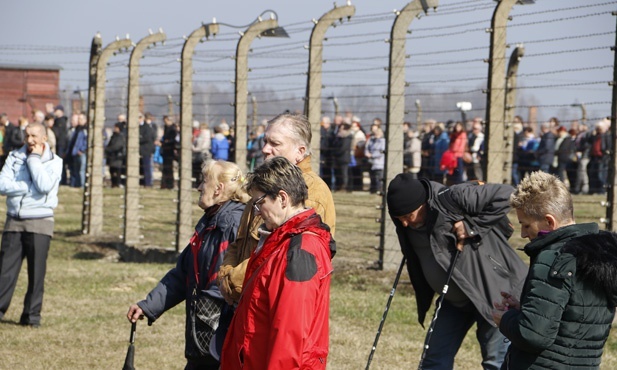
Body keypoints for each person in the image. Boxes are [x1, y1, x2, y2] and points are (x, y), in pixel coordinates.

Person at [386, 173, 527, 369]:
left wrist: (471, 228)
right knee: (433, 361)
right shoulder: (407, 224)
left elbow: (508, 194)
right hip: (453, 301)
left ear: (423, 204)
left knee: (496, 362)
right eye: (398, 218)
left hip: (495, 294)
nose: (404, 223)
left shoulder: (453, 197)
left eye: (408, 216)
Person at [127, 160, 250, 369]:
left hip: (221, 341)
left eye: (204, 181)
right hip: (204, 339)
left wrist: (207, 314)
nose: (199, 187)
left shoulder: (233, 225)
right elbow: (182, 274)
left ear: (218, 189)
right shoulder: (208, 223)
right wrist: (148, 305)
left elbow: (228, 285)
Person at [493, 171, 617, 369]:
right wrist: (524, 308)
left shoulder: (554, 258)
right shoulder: (599, 254)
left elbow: (533, 335)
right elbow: (570, 315)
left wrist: (505, 320)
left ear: (549, 222)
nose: (523, 234)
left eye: (526, 225)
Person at [220, 156, 334, 370]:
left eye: (259, 203)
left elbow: (291, 333)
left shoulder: (301, 251)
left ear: (282, 198)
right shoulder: (280, 240)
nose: (257, 212)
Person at [218, 112, 336, 307]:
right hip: (243, 299)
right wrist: (225, 275)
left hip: (270, 303)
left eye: (275, 144)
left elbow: (277, 253)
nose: (265, 149)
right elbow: (240, 243)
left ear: (300, 151)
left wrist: (231, 282)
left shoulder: (310, 192)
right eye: (265, 141)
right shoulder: (265, 183)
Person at [0, 122, 63, 327]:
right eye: (27, 136)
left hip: (41, 222)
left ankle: (31, 317)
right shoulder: (14, 156)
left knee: (36, 274)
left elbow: (44, 186)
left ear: (44, 138)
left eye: (34, 136)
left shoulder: (55, 162)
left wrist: (35, 160)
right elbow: (2, 184)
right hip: (14, 220)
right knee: (5, 271)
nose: (29, 141)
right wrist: (27, 187)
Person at [105, 122, 126, 188]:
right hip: (112, 157)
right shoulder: (114, 136)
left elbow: (117, 146)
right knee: (112, 171)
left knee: (117, 172)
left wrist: (109, 149)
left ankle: (117, 184)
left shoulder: (120, 137)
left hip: (118, 158)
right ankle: (113, 184)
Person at [365, 127, 385, 193]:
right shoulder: (371, 140)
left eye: (378, 134)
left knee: (379, 177)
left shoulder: (383, 141)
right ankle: (373, 189)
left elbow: (381, 151)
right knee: (372, 176)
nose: (376, 136)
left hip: (379, 162)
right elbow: (367, 147)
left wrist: (372, 155)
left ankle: (379, 189)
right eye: (375, 134)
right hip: (371, 162)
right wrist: (367, 153)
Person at [160, 115, 178, 190]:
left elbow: (173, 140)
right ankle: (165, 184)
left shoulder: (172, 129)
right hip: (165, 150)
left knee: (169, 168)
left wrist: (165, 142)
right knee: (165, 168)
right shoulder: (166, 128)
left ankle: (169, 184)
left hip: (169, 150)